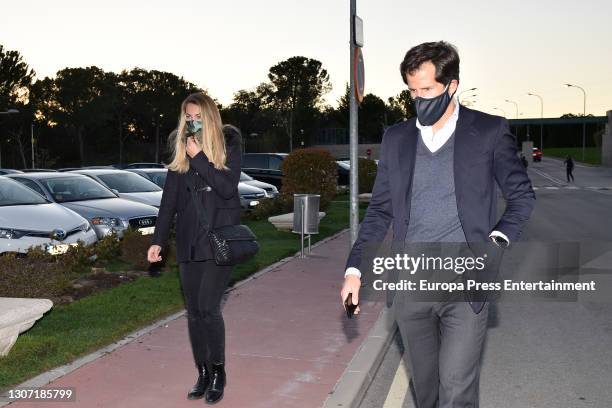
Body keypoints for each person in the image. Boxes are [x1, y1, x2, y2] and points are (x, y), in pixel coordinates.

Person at [340, 41, 535, 407]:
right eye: (412, 91)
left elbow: (522, 196)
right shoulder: (397, 138)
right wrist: (355, 269)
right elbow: (380, 211)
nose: (419, 98)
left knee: (456, 390)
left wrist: (495, 243)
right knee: (427, 392)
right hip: (412, 283)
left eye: (427, 90)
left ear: (452, 85)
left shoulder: (489, 132)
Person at [147, 92, 242, 404]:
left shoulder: (228, 144)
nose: (192, 121)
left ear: (210, 116)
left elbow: (228, 188)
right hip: (189, 243)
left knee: (208, 308)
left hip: (218, 242)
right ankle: (202, 371)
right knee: (194, 312)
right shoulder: (180, 149)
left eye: (197, 116)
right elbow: (168, 202)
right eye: (188, 117)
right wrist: (158, 241)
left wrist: (200, 157)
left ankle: (219, 372)